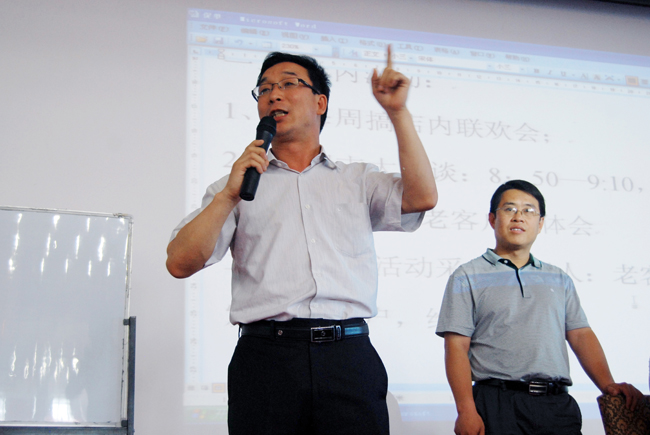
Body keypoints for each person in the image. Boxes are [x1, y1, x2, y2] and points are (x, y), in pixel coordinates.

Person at [167, 45, 437, 435]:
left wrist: (398, 112)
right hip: (266, 359)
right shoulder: (237, 185)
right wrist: (227, 196)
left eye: (288, 84)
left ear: (320, 102)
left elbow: (422, 198)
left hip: (348, 356)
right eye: (264, 89)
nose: (273, 94)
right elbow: (179, 263)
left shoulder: (357, 179)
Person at [436, 179, 643, 435]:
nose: (519, 217)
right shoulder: (467, 275)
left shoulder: (559, 278)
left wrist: (607, 384)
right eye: (509, 209)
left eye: (529, 210)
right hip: (497, 403)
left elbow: (580, 335)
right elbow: (456, 346)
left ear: (541, 223)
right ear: (492, 219)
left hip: (556, 405)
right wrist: (466, 410)